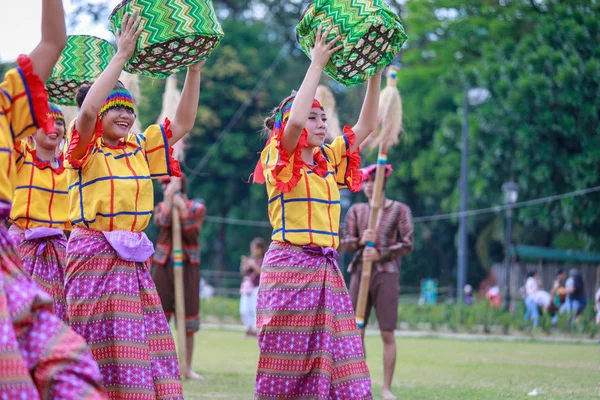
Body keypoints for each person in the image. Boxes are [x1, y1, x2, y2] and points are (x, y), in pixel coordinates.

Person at [63, 11, 205, 398]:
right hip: (93, 255)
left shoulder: (140, 147)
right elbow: (88, 111)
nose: (125, 115)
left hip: (131, 259)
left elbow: (184, 123)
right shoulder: (83, 147)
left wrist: (194, 69)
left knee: (139, 348)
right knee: (95, 344)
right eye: (117, 108)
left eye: (129, 109)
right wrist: (122, 54)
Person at [252, 25, 380, 399]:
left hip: (326, 271)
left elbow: (368, 124)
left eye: (323, 118)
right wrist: (317, 63)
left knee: (345, 365)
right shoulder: (278, 156)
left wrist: (372, 73)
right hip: (290, 269)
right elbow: (292, 122)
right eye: (313, 118)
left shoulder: (327, 161)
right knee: (287, 366)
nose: (321, 124)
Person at [0, 0, 107, 397]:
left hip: (21, 253)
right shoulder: (25, 150)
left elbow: (53, 41)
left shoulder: (5, 107)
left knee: (67, 364)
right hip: (23, 243)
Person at [342, 163, 414, 400]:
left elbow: (407, 243)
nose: (369, 187)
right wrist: (362, 242)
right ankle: (358, 386)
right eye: (365, 183)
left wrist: (381, 253)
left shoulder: (400, 210)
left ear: (382, 184)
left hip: (386, 273)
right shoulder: (356, 211)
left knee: (387, 332)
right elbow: (345, 243)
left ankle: (386, 388)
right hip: (360, 272)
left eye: (373, 182)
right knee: (355, 331)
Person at [8, 103, 69, 322]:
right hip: (21, 246)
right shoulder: (20, 158)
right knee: (18, 312)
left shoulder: (71, 166)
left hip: (59, 252)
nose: (54, 126)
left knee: (58, 315)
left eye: (59, 122)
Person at [152, 174, 206, 380]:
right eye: (165, 185)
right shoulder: (161, 206)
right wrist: (168, 200)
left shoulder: (196, 209)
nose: (166, 188)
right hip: (164, 265)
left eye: (168, 184)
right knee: (160, 319)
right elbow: (162, 220)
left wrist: (182, 209)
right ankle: (160, 368)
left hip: (188, 267)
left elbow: (192, 233)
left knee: (189, 319)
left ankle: (187, 367)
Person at [239, 237, 266, 337]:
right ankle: (248, 328)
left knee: (255, 310)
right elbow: (244, 273)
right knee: (244, 310)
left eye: (255, 248)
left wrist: (253, 264)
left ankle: (256, 330)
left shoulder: (263, 260)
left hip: (257, 288)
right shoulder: (251, 259)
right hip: (248, 289)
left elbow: (261, 272)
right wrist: (244, 265)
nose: (253, 251)